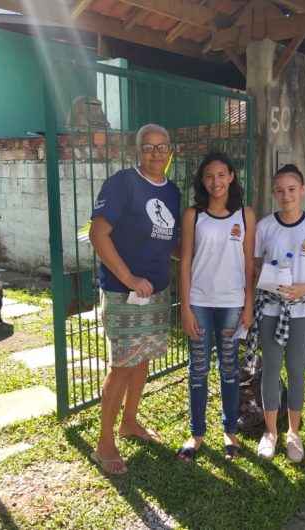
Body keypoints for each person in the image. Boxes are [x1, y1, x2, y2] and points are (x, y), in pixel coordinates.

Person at [89, 123, 180, 474]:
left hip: (156, 292)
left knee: (142, 361)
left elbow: (169, 242)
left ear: (170, 151)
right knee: (123, 365)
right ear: (137, 151)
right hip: (124, 291)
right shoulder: (122, 184)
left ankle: (129, 422)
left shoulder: (172, 192)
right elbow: (99, 233)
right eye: (148, 147)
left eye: (162, 147)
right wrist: (129, 278)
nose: (156, 153)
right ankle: (104, 443)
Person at [248, 164, 305, 462]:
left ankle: (293, 432)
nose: (286, 195)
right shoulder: (265, 227)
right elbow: (255, 265)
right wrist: (270, 277)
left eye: (292, 189)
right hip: (270, 309)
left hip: (301, 312)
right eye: (280, 190)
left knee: (296, 371)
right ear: (274, 193)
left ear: (303, 190)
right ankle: (270, 432)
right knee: (270, 370)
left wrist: (303, 288)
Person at [178, 152, 255, 462]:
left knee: (229, 369)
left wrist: (248, 305)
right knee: (198, 368)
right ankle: (196, 434)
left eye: (221, 174)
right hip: (199, 302)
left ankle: (229, 431)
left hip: (231, 303)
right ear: (202, 181)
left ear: (232, 176)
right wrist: (185, 308)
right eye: (209, 176)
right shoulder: (193, 215)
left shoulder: (246, 215)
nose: (216, 182)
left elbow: (250, 263)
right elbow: (184, 263)